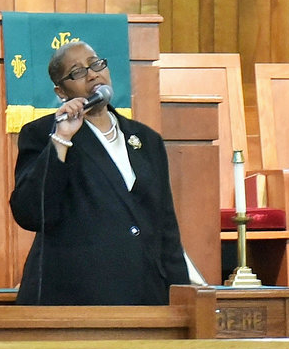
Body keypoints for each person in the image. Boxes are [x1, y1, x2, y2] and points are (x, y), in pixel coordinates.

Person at [10, 42, 190, 305]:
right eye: (78, 72)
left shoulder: (147, 140)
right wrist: (61, 139)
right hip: (76, 297)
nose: (93, 74)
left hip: (145, 293)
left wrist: (181, 296)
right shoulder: (43, 134)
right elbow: (31, 213)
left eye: (96, 64)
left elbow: (166, 226)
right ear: (61, 91)